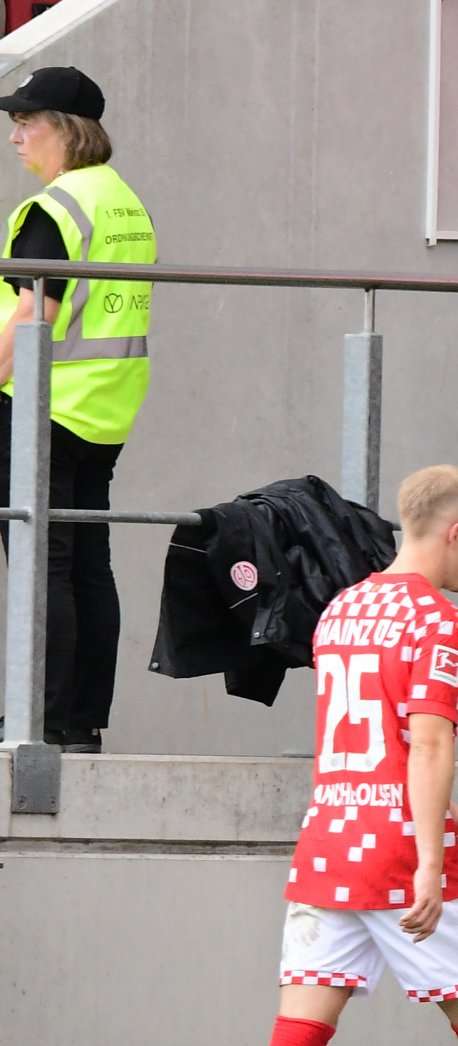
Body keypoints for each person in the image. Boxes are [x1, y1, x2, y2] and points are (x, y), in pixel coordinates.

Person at [243, 464, 458, 1046]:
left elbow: (373, 738)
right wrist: (431, 863)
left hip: (329, 846)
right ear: (454, 530)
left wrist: (447, 810)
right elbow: (428, 746)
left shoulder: (340, 609)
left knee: (293, 1043)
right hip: (401, 854)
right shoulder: (439, 619)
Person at [0, 66, 155, 752]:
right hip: (106, 407)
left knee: (44, 560)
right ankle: (80, 720)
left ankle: (39, 720)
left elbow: (37, 312)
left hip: (44, 405)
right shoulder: (124, 202)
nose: (16, 139)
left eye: (26, 124)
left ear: (64, 130)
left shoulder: (54, 209)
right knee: (89, 562)